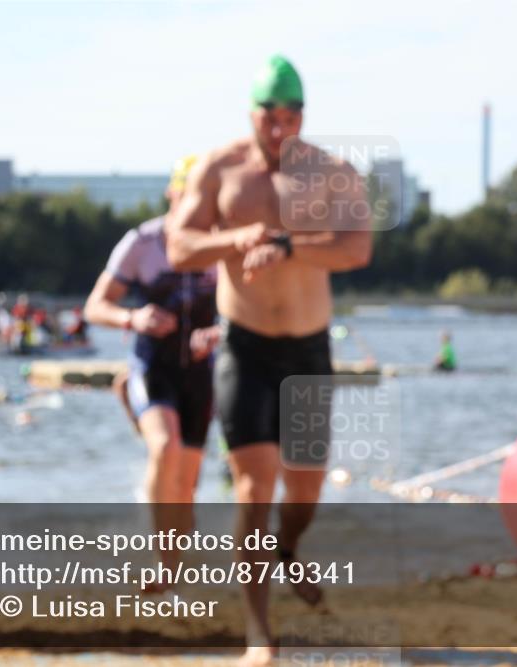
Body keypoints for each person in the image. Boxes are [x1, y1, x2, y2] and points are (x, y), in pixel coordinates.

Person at [166, 55, 372, 666]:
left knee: (302, 495)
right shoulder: (220, 168)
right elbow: (180, 244)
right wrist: (238, 239)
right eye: (269, 117)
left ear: (303, 115)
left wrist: (288, 246)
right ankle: (259, 632)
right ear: (251, 114)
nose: (280, 129)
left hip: (308, 350)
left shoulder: (331, 173)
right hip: (246, 347)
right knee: (253, 490)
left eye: (291, 117)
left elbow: (357, 248)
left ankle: (288, 549)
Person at [84, 155, 219, 585]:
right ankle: (164, 570)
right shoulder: (142, 243)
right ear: (172, 192)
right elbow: (95, 305)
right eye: (189, 195)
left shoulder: (220, 247)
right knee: (165, 448)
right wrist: (133, 318)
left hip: (199, 374)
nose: (196, 206)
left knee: (186, 485)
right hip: (152, 365)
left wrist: (218, 333)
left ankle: (174, 568)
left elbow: (247, 312)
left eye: (206, 198)